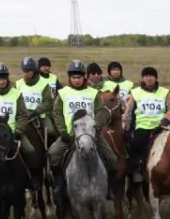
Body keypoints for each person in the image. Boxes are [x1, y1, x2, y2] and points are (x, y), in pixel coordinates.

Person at [47, 59, 117, 194]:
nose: (76, 80)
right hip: (70, 135)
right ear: (70, 78)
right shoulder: (63, 93)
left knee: (112, 158)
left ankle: (110, 187)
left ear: (84, 77)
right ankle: (59, 183)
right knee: (53, 153)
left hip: (91, 134)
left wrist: (96, 127)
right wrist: (62, 132)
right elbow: (57, 113)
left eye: (79, 77)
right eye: (73, 77)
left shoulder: (93, 93)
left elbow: (101, 111)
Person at [123, 67, 170, 183]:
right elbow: (128, 112)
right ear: (142, 78)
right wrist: (126, 129)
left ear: (156, 78)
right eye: (146, 76)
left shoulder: (165, 92)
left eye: (151, 76)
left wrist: (166, 120)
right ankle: (135, 170)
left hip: (161, 128)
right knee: (136, 145)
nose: (148, 79)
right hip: (142, 127)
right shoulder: (135, 93)